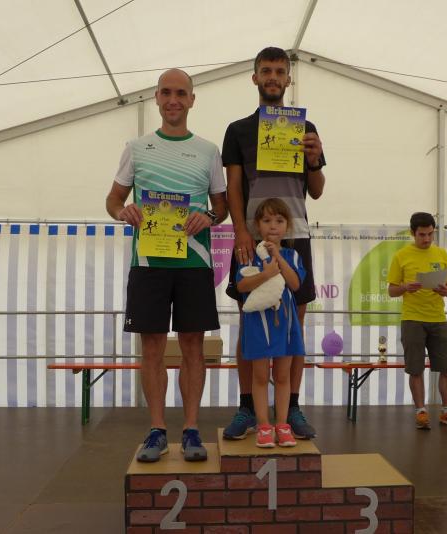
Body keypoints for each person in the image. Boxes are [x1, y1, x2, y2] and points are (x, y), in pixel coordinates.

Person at [105, 68, 228, 462]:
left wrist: (209, 217)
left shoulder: (209, 151)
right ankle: (157, 430)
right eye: (166, 93)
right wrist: (122, 211)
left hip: (194, 263)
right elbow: (113, 200)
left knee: (193, 346)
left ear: (192, 99)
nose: (173, 100)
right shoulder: (136, 147)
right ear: (156, 98)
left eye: (181, 93)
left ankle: (191, 430)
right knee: (153, 347)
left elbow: (221, 206)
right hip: (149, 262)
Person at [222, 46, 326, 441]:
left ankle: (291, 408)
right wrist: (240, 231)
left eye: (279, 71)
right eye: (266, 70)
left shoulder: (305, 127)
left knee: (294, 326)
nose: (272, 77)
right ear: (255, 77)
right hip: (252, 240)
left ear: (288, 79)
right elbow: (233, 187)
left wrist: (314, 159)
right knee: (248, 322)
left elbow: (317, 190)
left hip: (297, 236)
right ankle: (248, 407)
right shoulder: (237, 130)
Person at [387, 212, 447, 430]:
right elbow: (391, 290)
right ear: (412, 233)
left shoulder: (441, 254)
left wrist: (445, 290)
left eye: (430, 234)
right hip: (412, 319)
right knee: (415, 368)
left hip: (438, 318)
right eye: (422, 235)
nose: (427, 239)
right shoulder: (401, 256)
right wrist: (405, 287)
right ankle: (421, 412)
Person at [236, 199, 306, 448]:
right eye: (266, 220)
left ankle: (283, 424)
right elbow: (241, 286)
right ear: (257, 225)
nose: (273, 226)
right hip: (258, 323)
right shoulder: (248, 254)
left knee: (283, 375)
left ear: (287, 226)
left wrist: (277, 256)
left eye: (279, 220)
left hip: (285, 324)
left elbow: (295, 284)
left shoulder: (292, 254)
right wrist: (265, 274)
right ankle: (264, 425)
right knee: (260, 375)